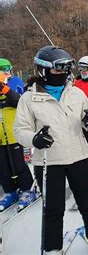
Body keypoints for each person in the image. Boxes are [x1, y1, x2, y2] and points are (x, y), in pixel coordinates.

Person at [13, 46, 88, 254]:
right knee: (53, 208)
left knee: (87, 202)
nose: (64, 74)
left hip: (79, 156)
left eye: (66, 70)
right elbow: (20, 130)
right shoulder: (28, 99)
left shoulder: (76, 93)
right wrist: (34, 139)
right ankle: (52, 247)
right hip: (49, 161)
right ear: (43, 71)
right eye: (58, 70)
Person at [0, 70, 36, 211]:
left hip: (14, 137)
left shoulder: (11, 96)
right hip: (1, 140)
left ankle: (27, 189)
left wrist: (5, 90)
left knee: (19, 165)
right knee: (3, 168)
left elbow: (19, 100)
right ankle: (10, 191)